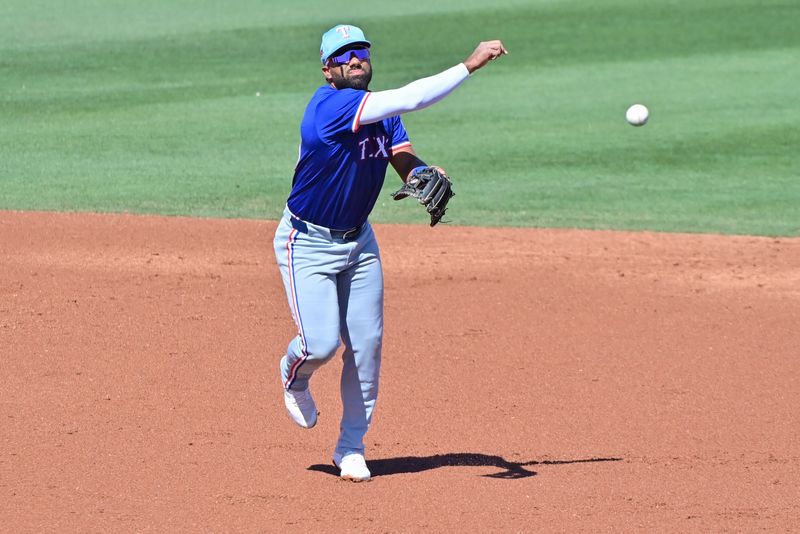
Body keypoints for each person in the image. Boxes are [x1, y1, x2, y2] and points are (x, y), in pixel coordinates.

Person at [273, 24, 507, 482]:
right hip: (307, 242)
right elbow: (413, 97)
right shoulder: (331, 107)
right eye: (344, 55)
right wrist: (469, 65)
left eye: (361, 50)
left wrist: (419, 173)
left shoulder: (381, 111)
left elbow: (400, 154)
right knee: (319, 345)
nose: (355, 59)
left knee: (366, 345)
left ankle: (351, 448)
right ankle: (294, 373)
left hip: (359, 242)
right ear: (328, 70)